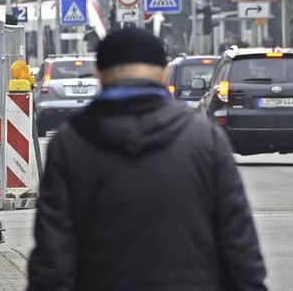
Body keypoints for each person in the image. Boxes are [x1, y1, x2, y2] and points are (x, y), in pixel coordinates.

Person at [27, 27, 267, 291]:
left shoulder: (70, 144)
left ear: (99, 75)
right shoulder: (204, 139)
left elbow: (52, 259)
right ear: (164, 72)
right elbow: (240, 248)